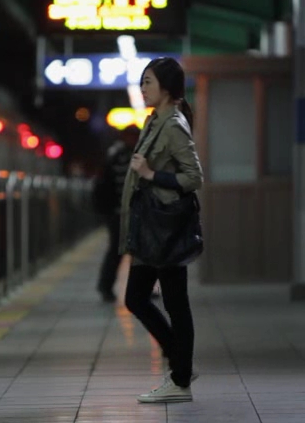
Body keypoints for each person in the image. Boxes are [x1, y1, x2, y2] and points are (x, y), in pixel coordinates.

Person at [120, 57, 203, 403]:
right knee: (138, 298)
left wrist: (152, 175)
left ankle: (180, 379)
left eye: (148, 82)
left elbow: (194, 177)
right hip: (151, 227)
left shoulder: (173, 124)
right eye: (142, 82)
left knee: (173, 302)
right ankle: (181, 364)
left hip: (164, 227)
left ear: (167, 88)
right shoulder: (155, 120)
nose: (143, 88)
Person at [95, 125, 140, 302]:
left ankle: (141, 288)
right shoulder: (117, 155)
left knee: (136, 251)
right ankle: (105, 287)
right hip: (118, 212)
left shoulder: (123, 155)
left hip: (131, 212)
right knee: (119, 250)